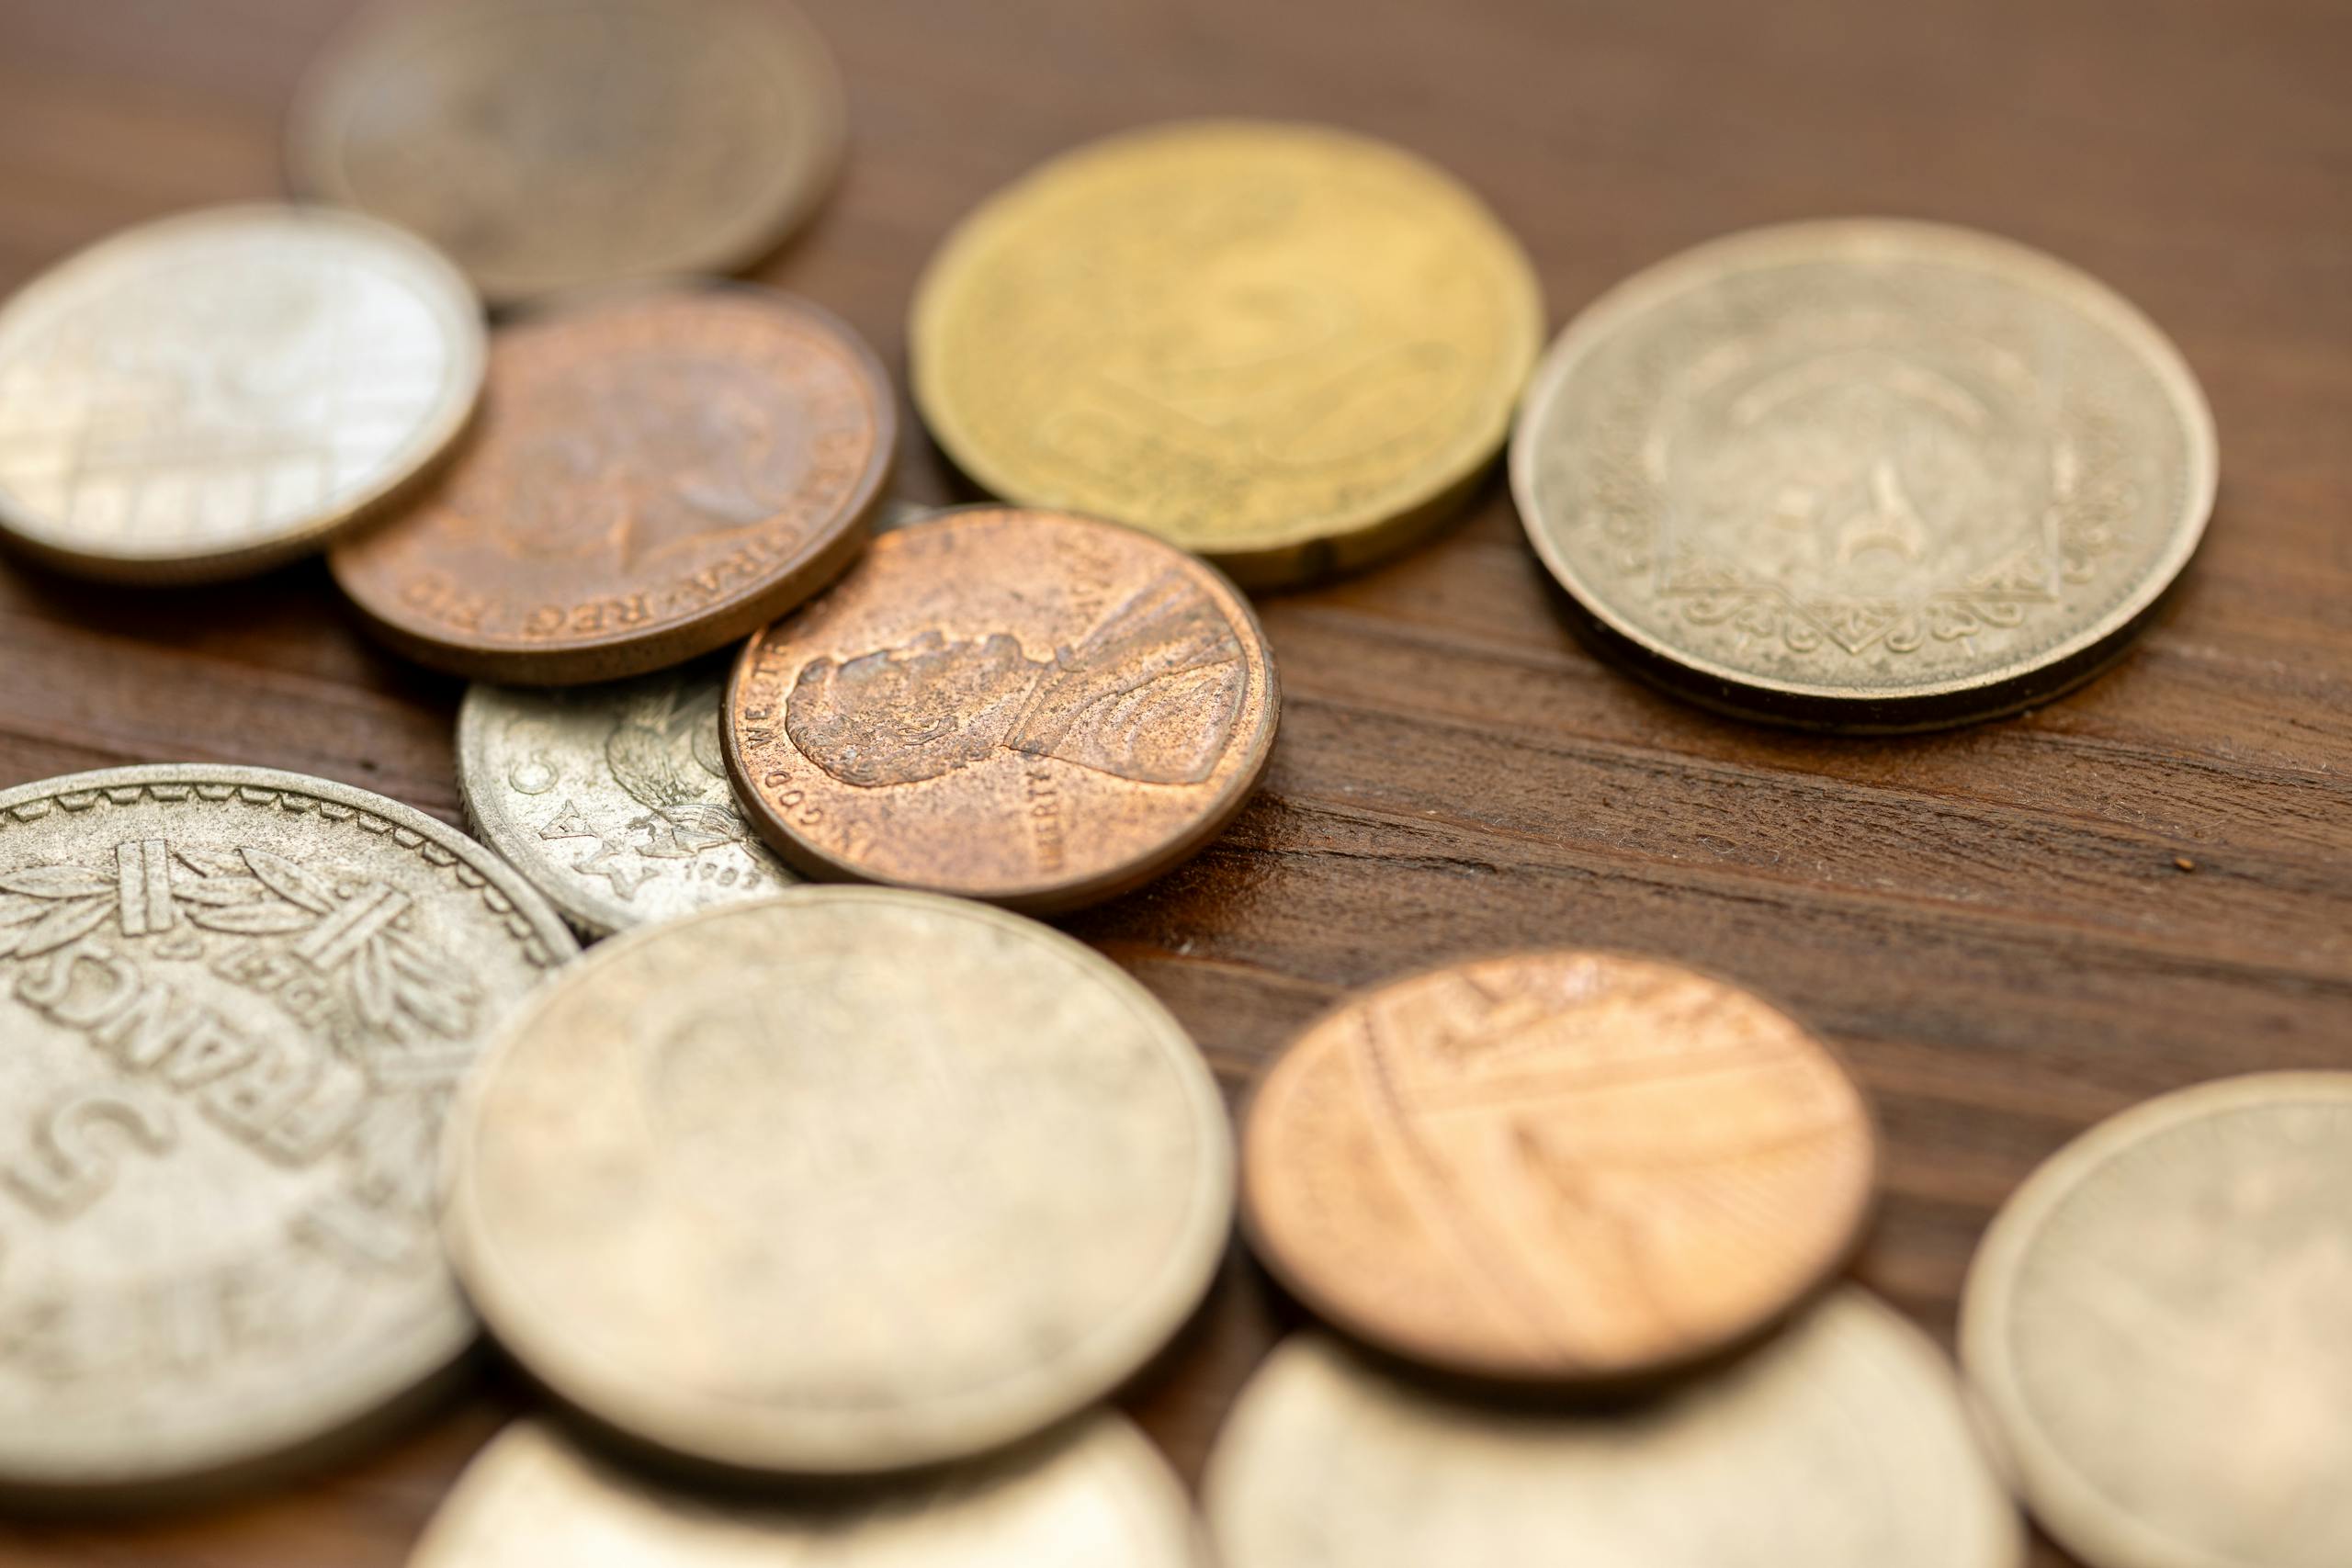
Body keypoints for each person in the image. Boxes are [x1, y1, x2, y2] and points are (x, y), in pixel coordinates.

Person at [786, 570, 1247, 788]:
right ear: (922, 724)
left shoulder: (1077, 683)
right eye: (904, 664)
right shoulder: (1143, 736)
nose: (927, 637)